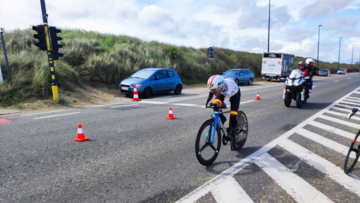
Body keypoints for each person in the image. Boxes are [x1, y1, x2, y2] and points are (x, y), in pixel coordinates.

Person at [205, 75, 241, 150]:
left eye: (214, 90)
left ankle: (233, 142)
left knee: (233, 116)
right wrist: (208, 103)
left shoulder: (228, 86)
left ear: (219, 86)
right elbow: (210, 95)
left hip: (234, 95)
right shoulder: (214, 86)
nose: (213, 92)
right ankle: (222, 118)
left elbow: (224, 104)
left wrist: (220, 106)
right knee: (215, 104)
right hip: (222, 92)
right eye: (212, 90)